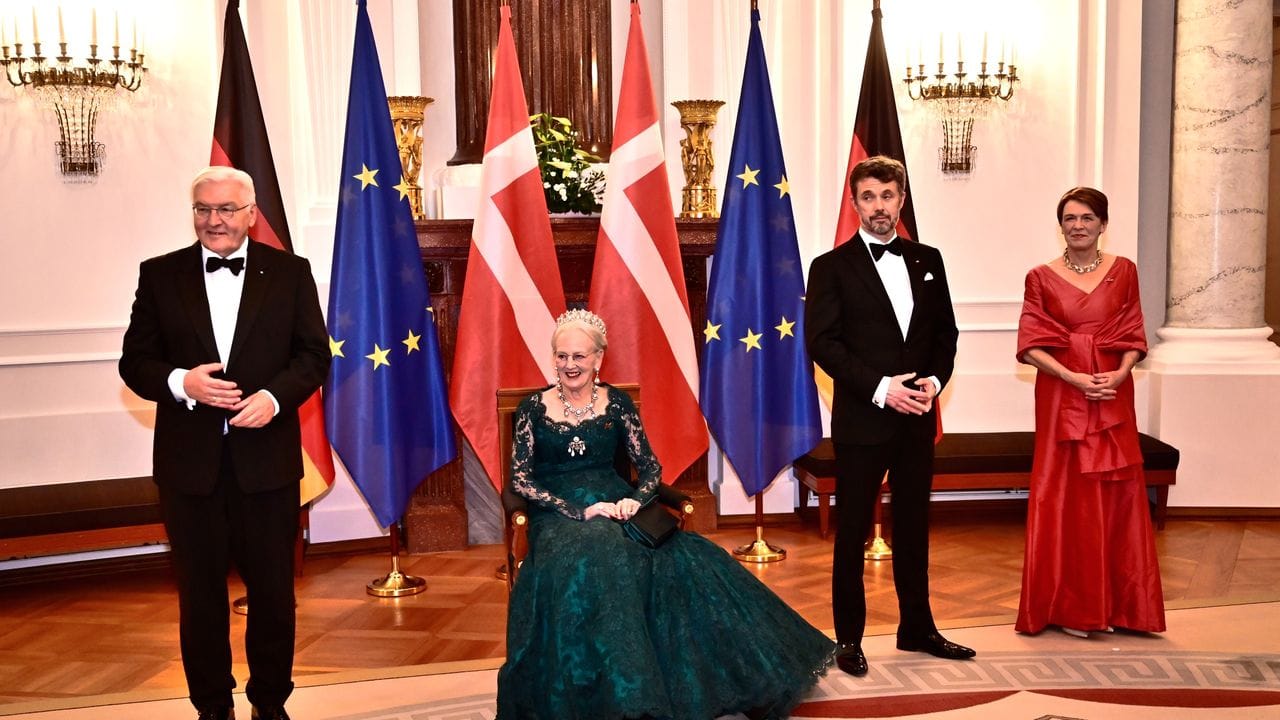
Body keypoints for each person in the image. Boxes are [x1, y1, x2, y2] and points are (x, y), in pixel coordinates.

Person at [496, 309, 834, 720]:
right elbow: (520, 481)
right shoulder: (534, 408)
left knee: (692, 559)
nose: (569, 365)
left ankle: (727, 679)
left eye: (579, 356)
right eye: (561, 356)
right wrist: (580, 511)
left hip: (618, 502)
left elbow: (651, 467)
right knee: (598, 554)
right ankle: (622, 698)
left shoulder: (617, 403)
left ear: (599, 358)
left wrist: (635, 500)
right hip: (561, 514)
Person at [119, 166, 330, 720]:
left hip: (268, 467)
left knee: (273, 596)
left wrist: (276, 399)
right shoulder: (160, 275)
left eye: (226, 209)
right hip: (190, 469)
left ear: (251, 213)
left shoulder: (290, 273)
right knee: (200, 597)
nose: (213, 220)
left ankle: (270, 703)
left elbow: (313, 356)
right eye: (202, 209)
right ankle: (212, 707)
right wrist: (180, 383)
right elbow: (135, 363)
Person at [804, 155, 972, 677]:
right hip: (863, 420)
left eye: (889, 196)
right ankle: (848, 639)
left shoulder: (929, 258)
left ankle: (917, 628)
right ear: (854, 203)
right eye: (869, 197)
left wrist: (933, 383)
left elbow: (946, 334)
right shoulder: (830, 267)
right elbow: (823, 344)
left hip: (917, 417)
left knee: (915, 526)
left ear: (902, 199)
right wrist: (882, 389)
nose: (880, 206)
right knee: (852, 531)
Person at [1015, 187, 1165, 637]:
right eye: (1069, 218)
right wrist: (1073, 378)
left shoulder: (1125, 271)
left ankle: (1122, 607)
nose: (1077, 225)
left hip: (1112, 394)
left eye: (1086, 217)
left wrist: (1120, 375)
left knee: (1116, 492)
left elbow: (1133, 331)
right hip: (1063, 393)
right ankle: (1070, 607)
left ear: (1103, 223)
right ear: (1060, 225)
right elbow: (1030, 344)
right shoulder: (1040, 276)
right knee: (1064, 492)